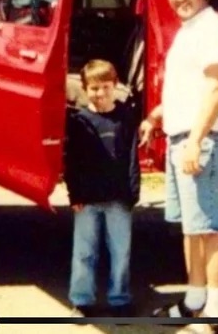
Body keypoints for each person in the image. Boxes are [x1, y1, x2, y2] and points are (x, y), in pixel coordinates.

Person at [140, 0, 218, 334]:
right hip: (183, 137)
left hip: (203, 140)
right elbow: (189, 90)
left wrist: (196, 141)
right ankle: (194, 300)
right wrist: (156, 117)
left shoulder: (213, 30)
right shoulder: (190, 31)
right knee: (192, 229)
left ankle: (214, 315)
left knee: (210, 229)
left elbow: (215, 88)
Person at [64, 59, 141, 318]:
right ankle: (82, 300)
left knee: (120, 251)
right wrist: (74, 194)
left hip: (119, 197)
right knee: (84, 252)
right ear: (85, 89)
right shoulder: (79, 120)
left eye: (105, 87)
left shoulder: (125, 118)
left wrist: (133, 192)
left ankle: (119, 299)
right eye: (94, 88)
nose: (100, 93)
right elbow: (71, 161)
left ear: (115, 85)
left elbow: (132, 156)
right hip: (87, 199)